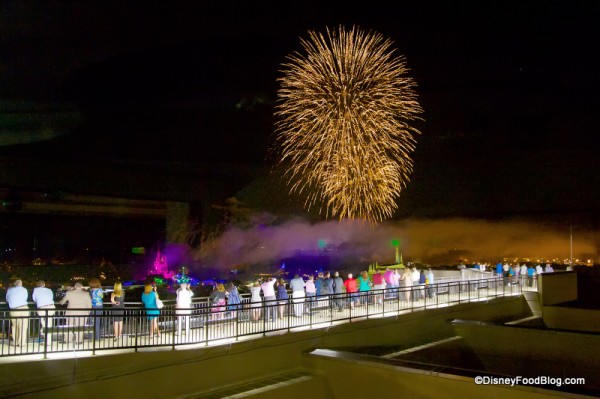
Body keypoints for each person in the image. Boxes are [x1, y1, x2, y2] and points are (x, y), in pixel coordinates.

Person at [60, 282, 92, 346]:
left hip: (71, 312)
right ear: (81, 286)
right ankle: (79, 341)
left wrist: (61, 301)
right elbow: (90, 305)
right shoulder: (86, 294)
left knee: (69, 325)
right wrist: (87, 312)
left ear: (75, 286)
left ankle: (67, 340)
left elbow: (62, 302)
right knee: (80, 326)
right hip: (82, 313)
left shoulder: (69, 293)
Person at [6, 280, 29, 347]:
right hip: (23, 308)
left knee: (15, 326)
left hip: (14, 309)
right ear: (21, 284)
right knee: (23, 326)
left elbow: (7, 299)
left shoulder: (10, 290)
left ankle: (15, 342)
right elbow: (25, 298)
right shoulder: (24, 290)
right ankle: (21, 343)